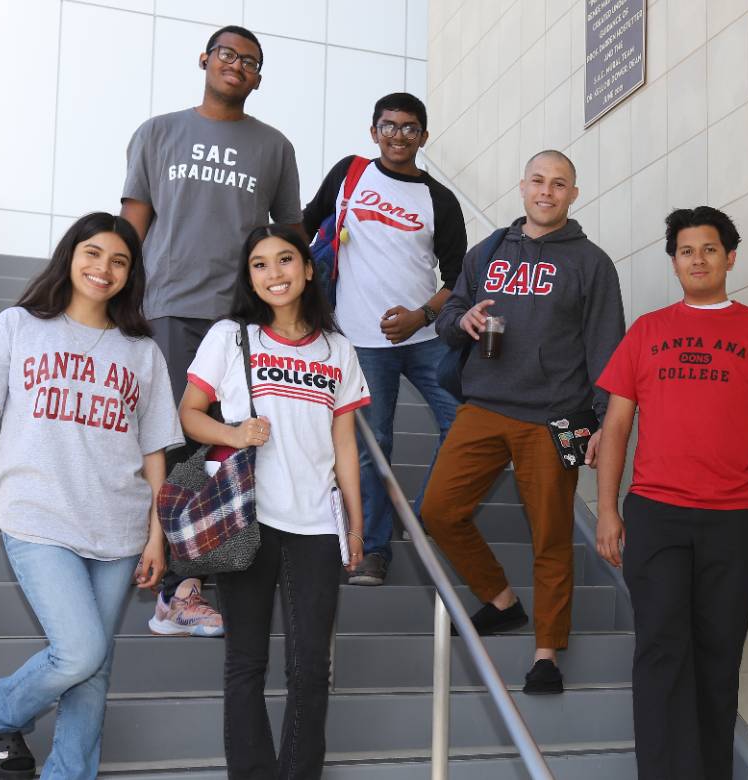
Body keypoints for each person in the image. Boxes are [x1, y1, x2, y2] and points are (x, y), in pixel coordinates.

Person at [0, 213, 182, 780]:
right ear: (70, 256)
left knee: (95, 669)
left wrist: (158, 532)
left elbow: (155, 453)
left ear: (130, 275)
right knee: (80, 651)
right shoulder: (19, 326)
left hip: (120, 527)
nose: (104, 268)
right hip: (38, 517)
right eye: (93, 253)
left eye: (119, 261)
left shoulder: (142, 352)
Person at [593, 207, 748, 779]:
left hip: (737, 518)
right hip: (657, 514)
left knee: (718, 658)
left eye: (710, 249)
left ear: (730, 258)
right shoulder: (646, 331)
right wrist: (607, 510)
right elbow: (616, 426)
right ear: (674, 262)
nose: (698, 259)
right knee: (662, 651)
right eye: (687, 250)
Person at [121, 23, 303, 636]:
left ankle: (204, 565)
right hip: (169, 305)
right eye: (228, 54)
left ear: (258, 76)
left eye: (251, 61)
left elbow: (289, 236)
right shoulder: (158, 133)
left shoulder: (274, 147)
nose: (238, 65)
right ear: (205, 59)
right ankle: (176, 588)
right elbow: (132, 224)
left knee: (228, 444)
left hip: (241, 319)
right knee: (174, 441)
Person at [421, 150, 625, 695]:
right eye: (538, 180)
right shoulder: (489, 252)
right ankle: (501, 600)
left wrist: (605, 422)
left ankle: (546, 652)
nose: (547, 191)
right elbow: (446, 315)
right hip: (484, 405)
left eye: (559, 184)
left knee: (552, 535)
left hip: (557, 417)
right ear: (522, 185)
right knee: (439, 510)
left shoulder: (592, 264)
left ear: (573, 195)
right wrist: (460, 320)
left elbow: (607, 350)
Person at [180, 225, 368, 779]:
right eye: (259, 265)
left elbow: (345, 444)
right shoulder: (230, 336)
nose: (273, 273)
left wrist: (355, 526)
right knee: (246, 662)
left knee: (311, 666)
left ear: (309, 269)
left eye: (285, 260)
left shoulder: (339, 349)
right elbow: (190, 413)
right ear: (249, 277)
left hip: (314, 522)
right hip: (246, 518)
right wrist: (237, 435)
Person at [301, 92, 466, 586]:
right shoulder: (349, 174)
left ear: (424, 136)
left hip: (426, 337)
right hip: (359, 340)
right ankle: (374, 548)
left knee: (464, 423)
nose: (398, 135)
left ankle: (417, 515)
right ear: (374, 132)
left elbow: (459, 278)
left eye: (410, 128)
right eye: (389, 126)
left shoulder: (439, 198)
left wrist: (421, 316)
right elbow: (303, 229)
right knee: (375, 445)